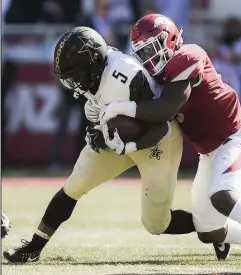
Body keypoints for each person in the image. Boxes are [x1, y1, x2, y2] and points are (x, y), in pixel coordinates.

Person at [94, 14, 241, 264]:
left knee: (222, 196)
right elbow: (156, 123)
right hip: (209, 152)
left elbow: (166, 108)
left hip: (237, 138)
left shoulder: (188, 55)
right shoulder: (155, 78)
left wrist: (120, 107)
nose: (148, 59)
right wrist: (122, 139)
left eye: (152, 50)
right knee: (208, 231)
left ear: (171, 40)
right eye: (142, 53)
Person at [3, 26, 187, 263]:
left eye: (74, 76)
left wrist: (125, 146)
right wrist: (99, 129)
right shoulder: (95, 71)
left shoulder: (125, 75)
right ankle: (34, 247)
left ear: (91, 65)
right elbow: (99, 109)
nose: (73, 83)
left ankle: (216, 230)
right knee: (75, 184)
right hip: (121, 136)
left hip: (157, 142)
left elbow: (160, 126)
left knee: (156, 223)